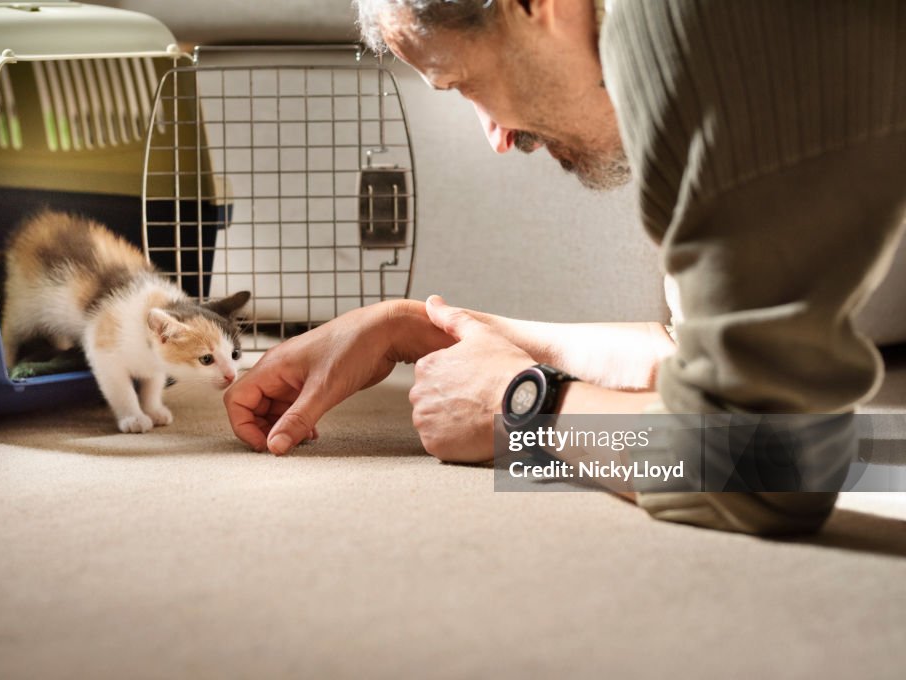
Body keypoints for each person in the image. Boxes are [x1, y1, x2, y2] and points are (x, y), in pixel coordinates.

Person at [225, 0, 906, 534]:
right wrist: (420, 327)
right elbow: (698, 360)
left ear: (535, 5)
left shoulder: (694, 38)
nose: (496, 137)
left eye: (461, 82)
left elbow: (759, 465)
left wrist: (520, 405)